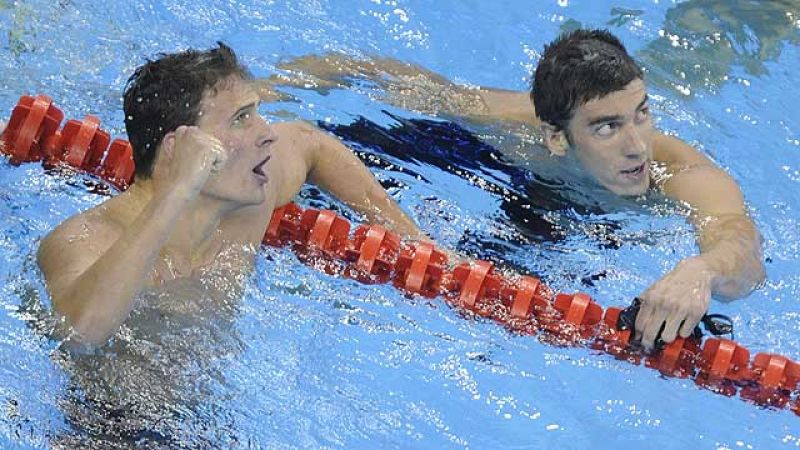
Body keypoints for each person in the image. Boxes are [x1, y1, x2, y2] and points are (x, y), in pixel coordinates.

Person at [270, 29, 765, 351]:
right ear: (555, 137)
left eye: (643, 113)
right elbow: (352, 66)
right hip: (521, 184)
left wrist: (702, 269)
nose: (638, 145)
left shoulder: (681, 176)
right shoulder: (510, 126)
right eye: (608, 127)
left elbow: (742, 249)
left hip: (589, 228)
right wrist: (261, 97)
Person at [34, 43, 429, 347]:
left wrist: (415, 242)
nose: (267, 132)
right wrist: (177, 191)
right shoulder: (81, 240)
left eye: (256, 112)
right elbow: (79, 336)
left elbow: (311, 144)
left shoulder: (245, 204)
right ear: (179, 149)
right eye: (242, 119)